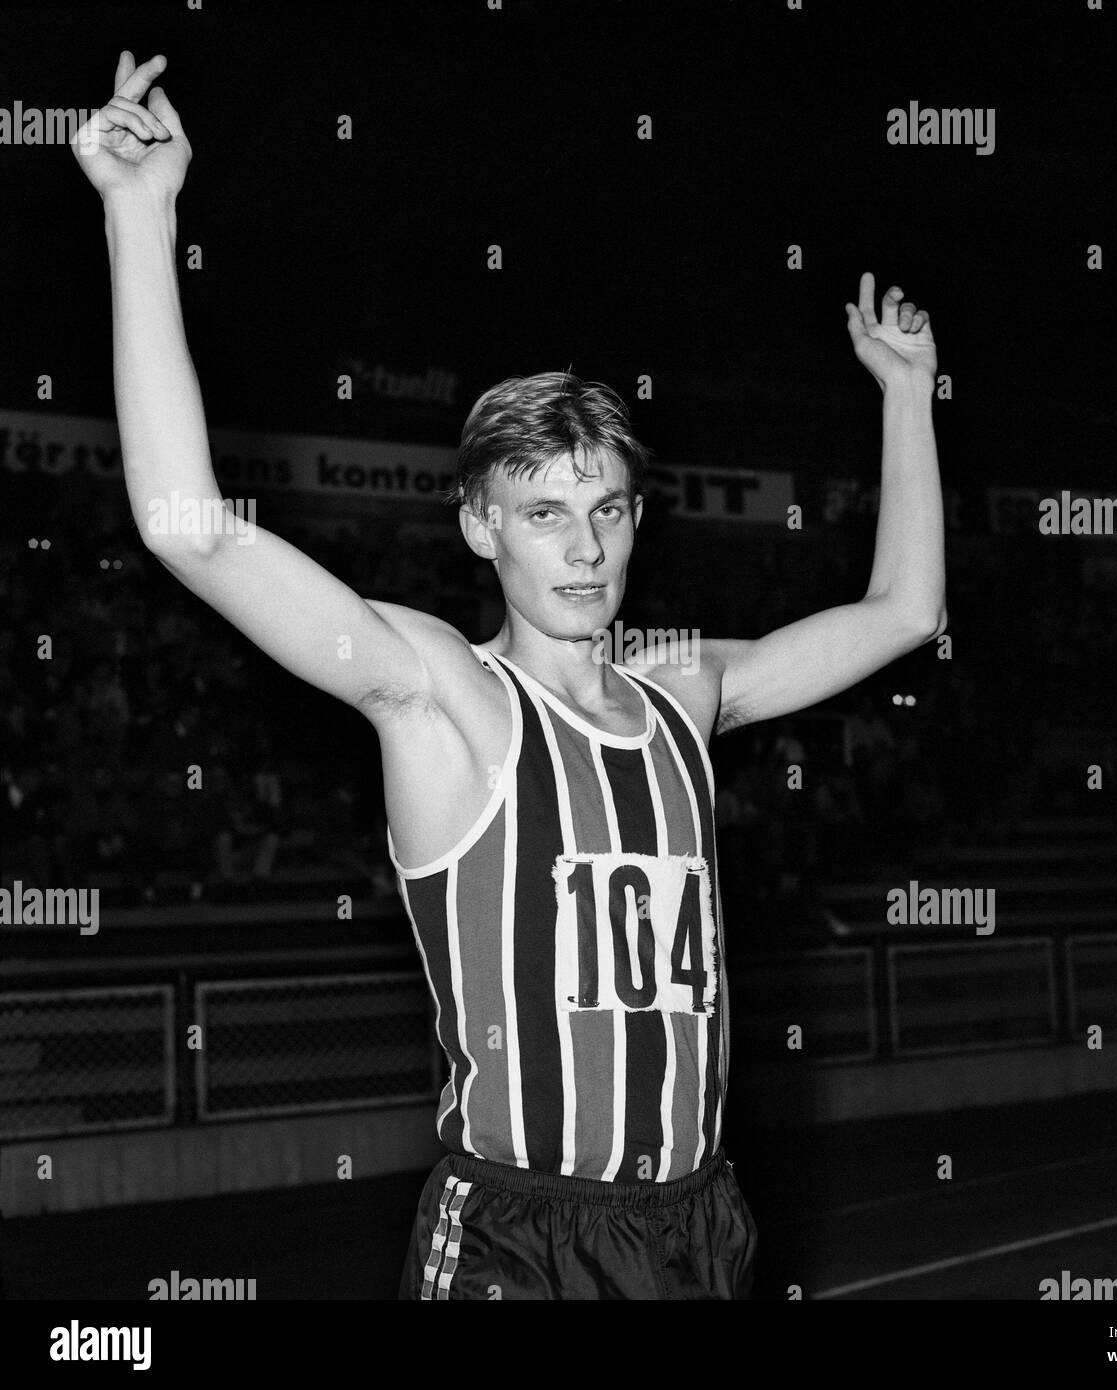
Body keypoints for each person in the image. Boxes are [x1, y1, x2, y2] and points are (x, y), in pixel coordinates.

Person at [73, 50, 946, 1301]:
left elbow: (902, 611)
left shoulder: (681, 696)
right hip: (522, 1240)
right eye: (543, 513)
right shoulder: (447, 702)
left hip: (700, 1225)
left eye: (607, 509)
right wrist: (139, 215)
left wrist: (905, 400)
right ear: (480, 526)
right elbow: (185, 524)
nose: (585, 548)